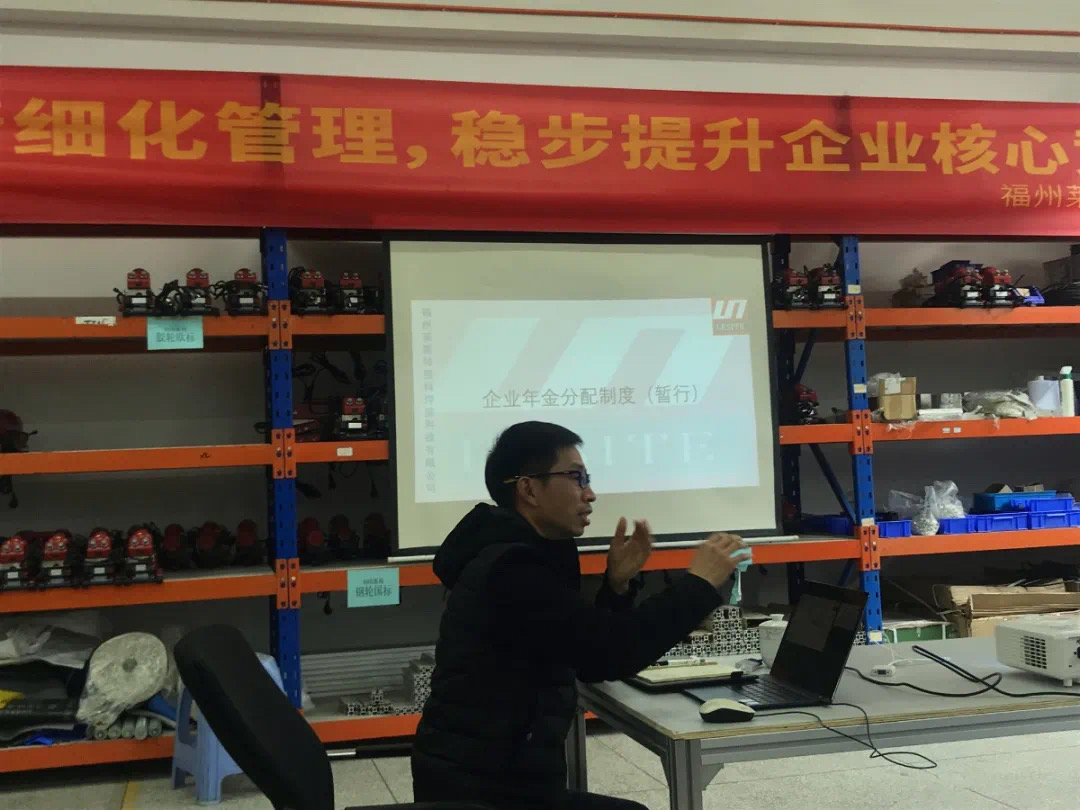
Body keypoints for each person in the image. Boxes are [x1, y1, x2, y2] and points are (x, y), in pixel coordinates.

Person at [411, 421, 746, 810]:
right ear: (528, 489)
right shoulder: (510, 568)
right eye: (576, 478)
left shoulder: (531, 551)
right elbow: (612, 652)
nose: (590, 493)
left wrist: (616, 586)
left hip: (503, 775)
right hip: (481, 789)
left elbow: (584, 653)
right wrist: (699, 584)